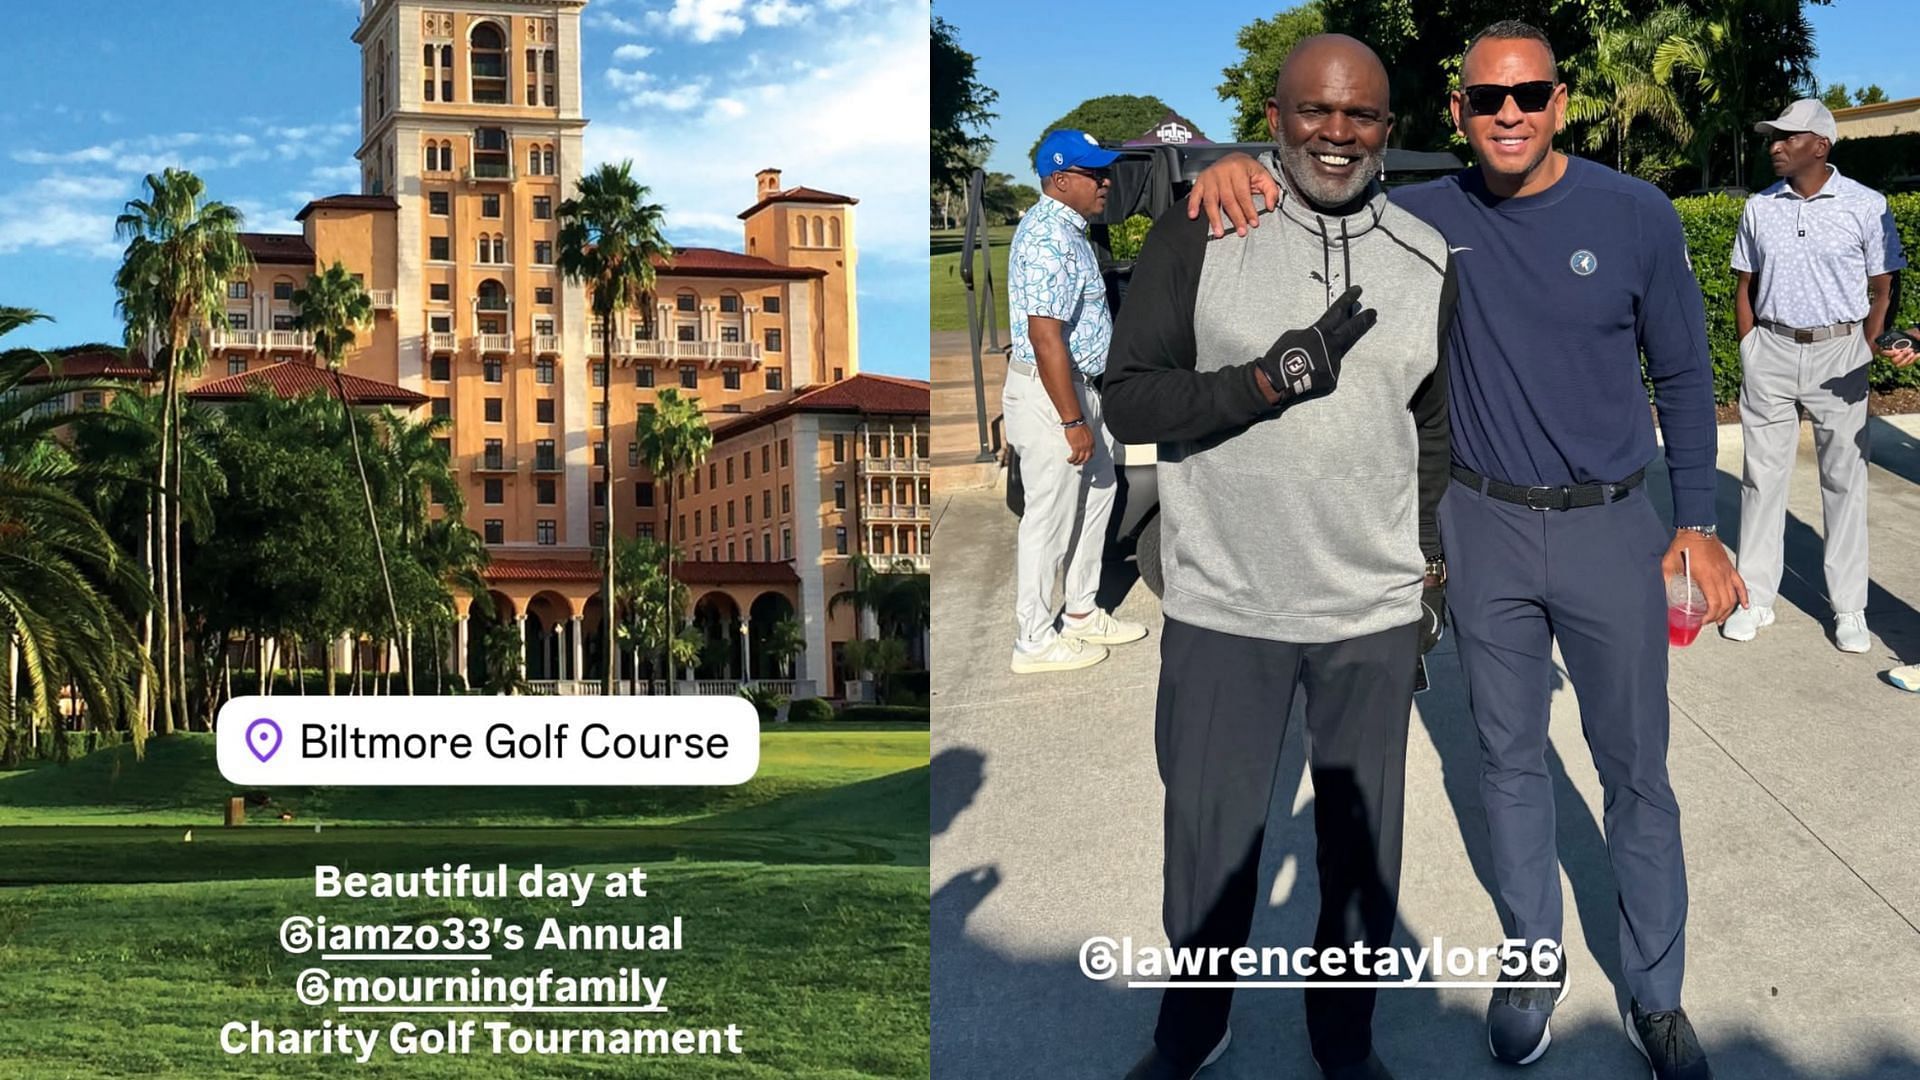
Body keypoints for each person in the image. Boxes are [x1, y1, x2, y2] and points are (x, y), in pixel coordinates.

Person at [1184, 19, 1736, 1080]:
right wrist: (1229, 167)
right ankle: (1533, 966)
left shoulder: (1635, 216)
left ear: (1560, 102)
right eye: (1488, 99)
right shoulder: (1421, 217)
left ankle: (1656, 996)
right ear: (1458, 112)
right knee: (1508, 762)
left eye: (1529, 94)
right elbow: (1313, 189)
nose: (1510, 114)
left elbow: (1685, 376)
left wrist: (1697, 525)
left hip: (1612, 527)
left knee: (1636, 774)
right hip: (1481, 528)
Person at [1102, 35, 1452, 1080]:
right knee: (1208, 849)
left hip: (1369, 614)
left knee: (1358, 856)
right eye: (1314, 112)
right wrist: (1259, 383)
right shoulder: (1207, 224)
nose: (1336, 135)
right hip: (1226, 603)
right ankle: (1189, 1029)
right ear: (1276, 113)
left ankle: (1343, 1038)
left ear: (1387, 129)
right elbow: (1129, 395)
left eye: (1361, 117)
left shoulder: (1430, 258)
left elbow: (1428, 429)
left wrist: (1425, 567)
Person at [1720, 98, 1906, 650]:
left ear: (1820, 145)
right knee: (1761, 478)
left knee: (1844, 481)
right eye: (1772, 137)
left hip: (1840, 353)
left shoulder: (1864, 205)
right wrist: (1750, 344)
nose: (1775, 146)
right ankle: (1755, 597)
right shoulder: (1760, 206)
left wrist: (1867, 347)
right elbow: (1744, 285)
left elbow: (1883, 287)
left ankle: (1849, 607)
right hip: (1771, 350)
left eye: (1787, 137)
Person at [1002, 128, 1148, 675]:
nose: (1106, 182)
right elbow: (1045, 338)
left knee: (1100, 492)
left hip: (1080, 388)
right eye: (1094, 174)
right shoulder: (1047, 238)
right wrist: (1071, 421)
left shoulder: (1070, 229)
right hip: (1052, 396)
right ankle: (1034, 641)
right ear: (1060, 181)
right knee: (1051, 517)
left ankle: (1082, 612)